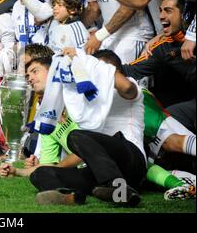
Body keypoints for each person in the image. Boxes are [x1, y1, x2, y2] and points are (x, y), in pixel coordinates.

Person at [21, 47, 146, 206]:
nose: (94, 74)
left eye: (98, 69)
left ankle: (118, 188)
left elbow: (127, 88)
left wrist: (100, 68)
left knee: (76, 136)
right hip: (100, 169)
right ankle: (71, 196)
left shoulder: (130, 86)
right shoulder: (89, 96)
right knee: (40, 174)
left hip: (131, 159)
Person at [122, 0, 196, 131]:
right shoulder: (162, 46)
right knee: (165, 121)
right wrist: (96, 64)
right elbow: (131, 70)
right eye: (160, 10)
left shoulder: (192, 38)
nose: (161, 16)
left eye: (168, 11)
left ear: (184, 14)